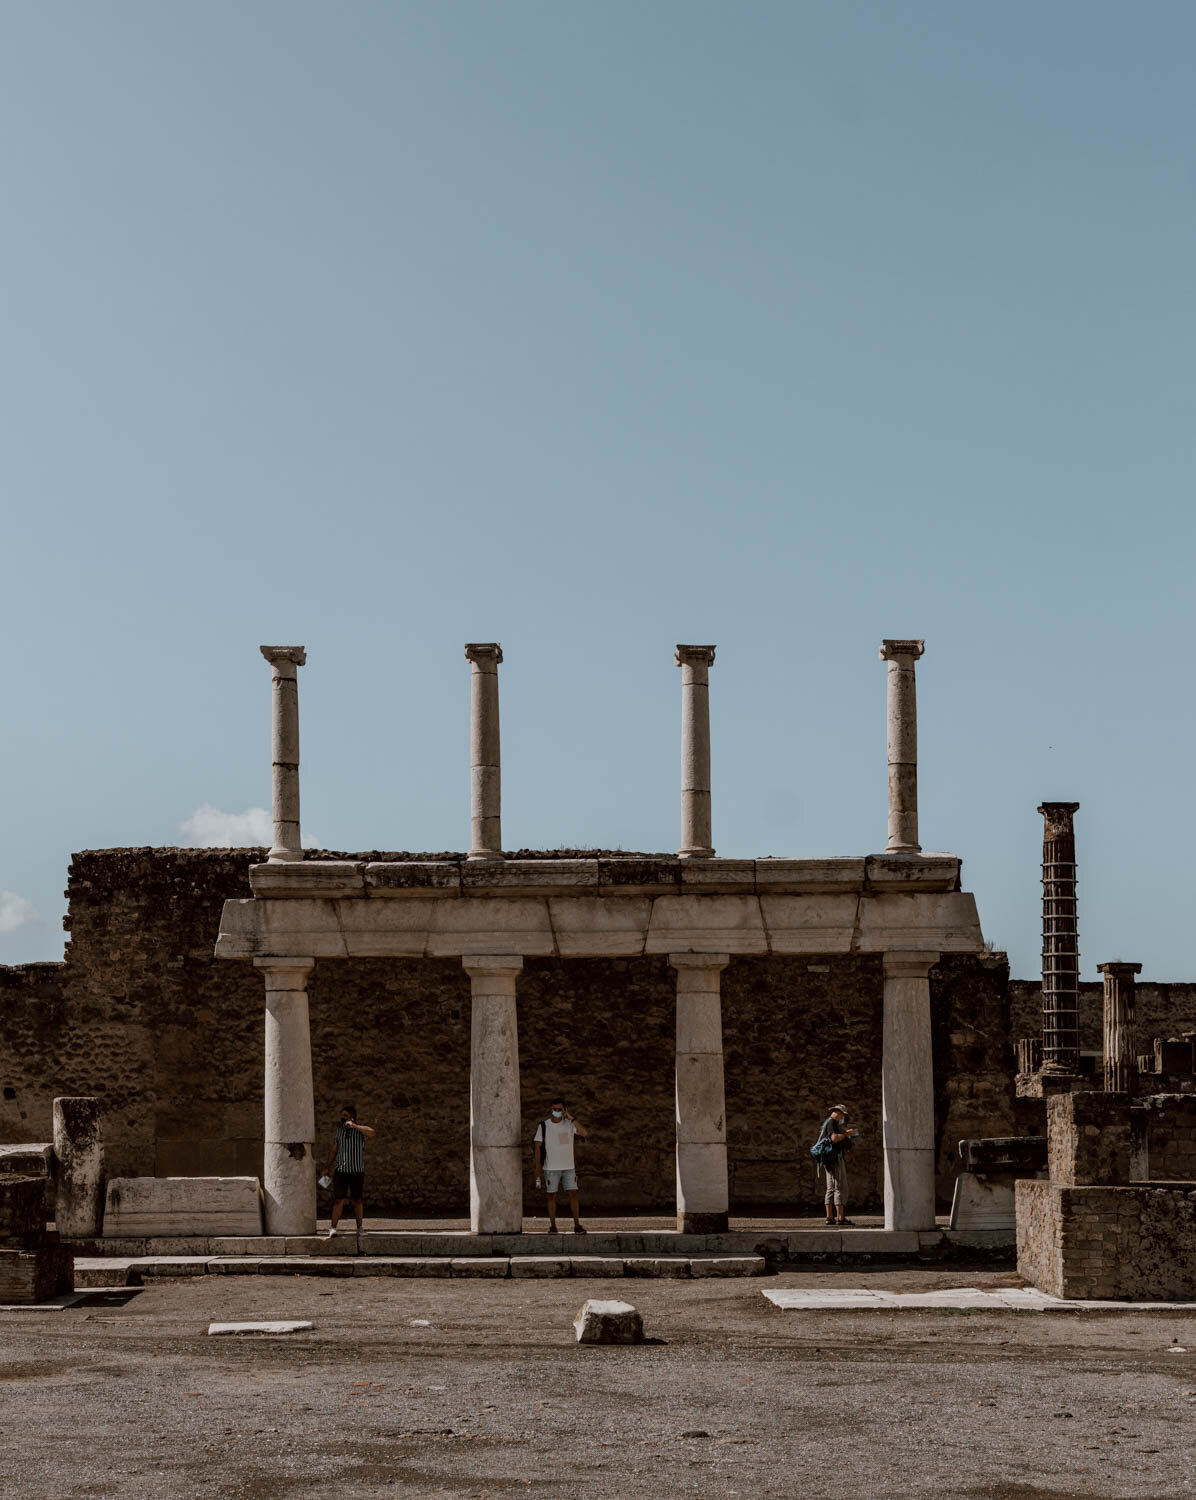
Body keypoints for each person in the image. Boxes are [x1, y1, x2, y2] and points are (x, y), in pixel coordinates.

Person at [533, 1100, 589, 1234]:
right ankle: (553, 1226)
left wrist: (572, 1118)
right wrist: (538, 1168)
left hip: (569, 1167)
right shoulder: (544, 1125)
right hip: (550, 1168)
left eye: (560, 1109)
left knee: (573, 1194)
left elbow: (584, 1133)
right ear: (551, 1108)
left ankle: (577, 1226)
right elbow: (537, 1147)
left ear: (564, 1110)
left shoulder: (569, 1125)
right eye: (554, 1108)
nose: (556, 1112)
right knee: (551, 1196)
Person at [322, 1103, 376, 1237]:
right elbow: (334, 1150)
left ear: (352, 1117)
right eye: (342, 1116)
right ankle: (333, 1228)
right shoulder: (339, 1131)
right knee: (338, 1200)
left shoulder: (360, 1131)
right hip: (341, 1170)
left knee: (357, 1200)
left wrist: (355, 1126)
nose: (342, 1118)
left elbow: (372, 1132)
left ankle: (360, 1228)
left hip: (357, 1171)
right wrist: (327, 1167)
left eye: (345, 1116)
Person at [816, 1103, 859, 1227]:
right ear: (838, 1112)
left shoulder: (827, 1123)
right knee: (839, 1186)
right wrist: (847, 1134)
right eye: (843, 1115)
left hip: (828, 1159)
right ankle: (840, 1217)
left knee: (831, 1187)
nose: (842, 1118)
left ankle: (829, 1217)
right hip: (835, 1159)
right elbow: (834, 1138)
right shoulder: (832, 1123)